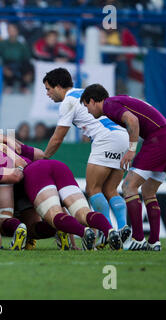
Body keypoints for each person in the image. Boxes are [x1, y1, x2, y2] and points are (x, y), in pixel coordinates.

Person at [80, 84, 166, 251]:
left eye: (86, 106)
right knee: (149, 191)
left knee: (128, 186)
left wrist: (131, 150)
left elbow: (133, 121)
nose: (88, 112)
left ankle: (138, 239)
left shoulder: (109, 105)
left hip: (158, 140)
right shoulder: (118, 101)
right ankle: (154, 242)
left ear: (92, 101)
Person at [41, 68, 131, 248]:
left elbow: (58, 137)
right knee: (111, 189)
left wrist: (44, 157)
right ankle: (123, 230)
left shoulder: (68, 102)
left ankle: (107, 233)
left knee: (92, 189)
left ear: (58, 86)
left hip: (105, 138)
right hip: (123, 137)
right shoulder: (84, 94)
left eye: (48, 89)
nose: (48, 94)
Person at [23, 158, 123, 250]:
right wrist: (74, 244)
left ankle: (83, 232)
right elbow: (40, 154)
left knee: (54, 215)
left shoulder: (12, 157)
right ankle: (110, 230)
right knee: (84, 213)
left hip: (35, 172)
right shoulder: (21, 150)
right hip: (59, 166)